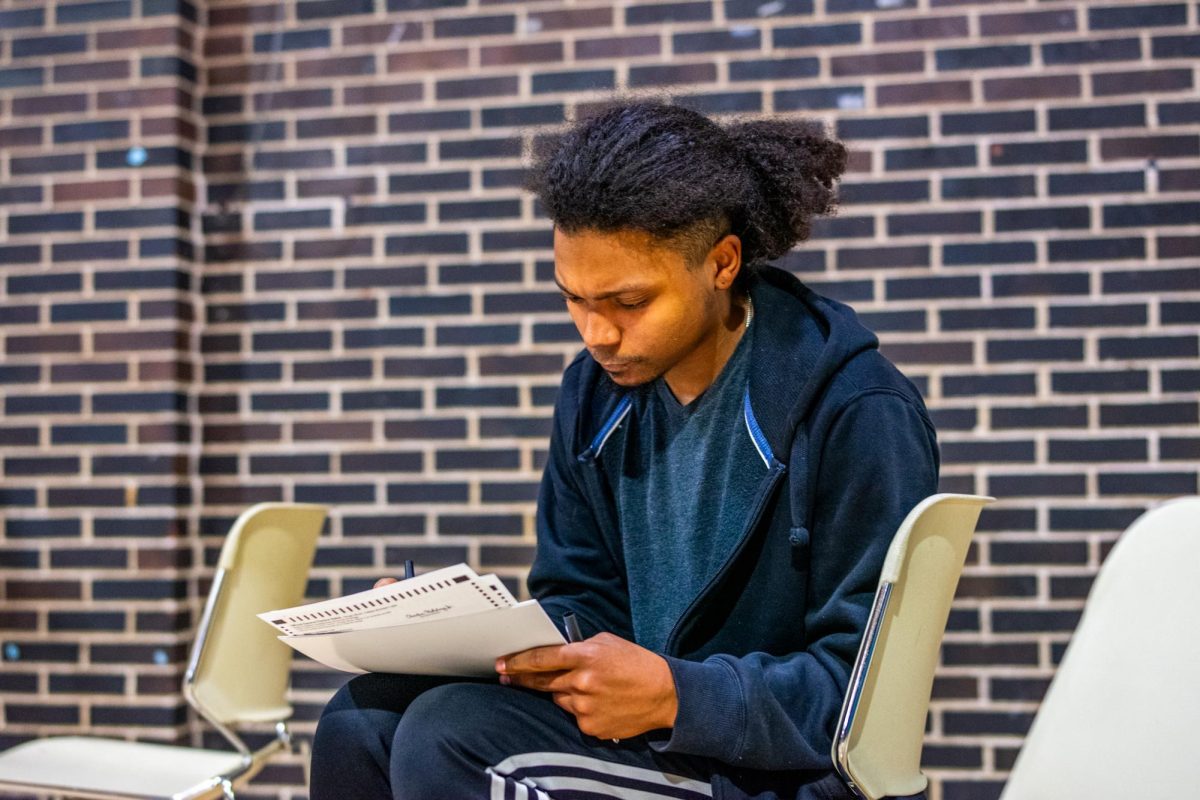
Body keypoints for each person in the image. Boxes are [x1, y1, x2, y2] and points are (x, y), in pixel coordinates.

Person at [310, 100, 939, 800]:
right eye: (573, 299)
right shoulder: (594, 394)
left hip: (777, 775)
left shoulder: (855, 409)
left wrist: (680, 696)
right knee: (361, 719)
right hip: (650, 739)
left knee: (449, 735)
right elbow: (583, 600)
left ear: (722, 262)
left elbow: (866, 695)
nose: (596, 333)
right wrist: (448, 637)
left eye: (629, 302)